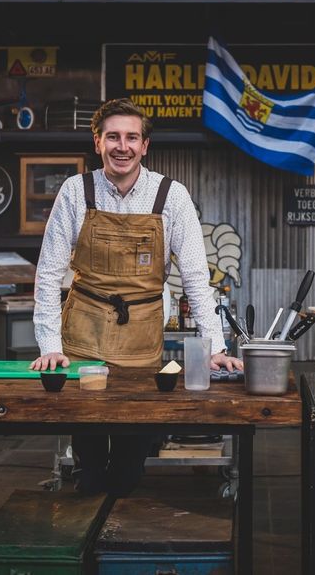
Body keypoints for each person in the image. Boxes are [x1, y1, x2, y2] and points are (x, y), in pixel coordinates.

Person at [31, 97, 243, 496]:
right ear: (98, 143)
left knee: (131, 457)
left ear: (145, 145)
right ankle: (89, 525)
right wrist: (50, 345)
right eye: (112, 137)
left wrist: (214, 346)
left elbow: (196, 277)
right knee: (89, 459)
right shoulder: (76, 192)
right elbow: (47, 275)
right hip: (83, 336)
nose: (122, 146)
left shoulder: (171, 196)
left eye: (131, 137)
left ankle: (119, 522)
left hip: (142, 340)